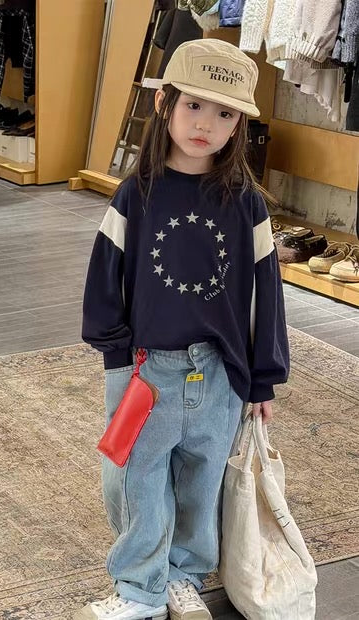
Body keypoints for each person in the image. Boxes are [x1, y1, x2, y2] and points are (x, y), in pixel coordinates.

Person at [77, 39, 290, 620]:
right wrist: (116, 361)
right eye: (194, 105)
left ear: (238, 126)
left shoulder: (247, 205)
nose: (205, 125)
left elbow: (265, 296)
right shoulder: (136, 195)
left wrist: (262, 380)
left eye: (225, 114)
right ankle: (139, 588)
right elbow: (105, 279)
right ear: (164, 103)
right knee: (133, 478)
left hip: (221, 375)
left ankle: (184, 578)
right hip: (148, 370)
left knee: (203, 481)